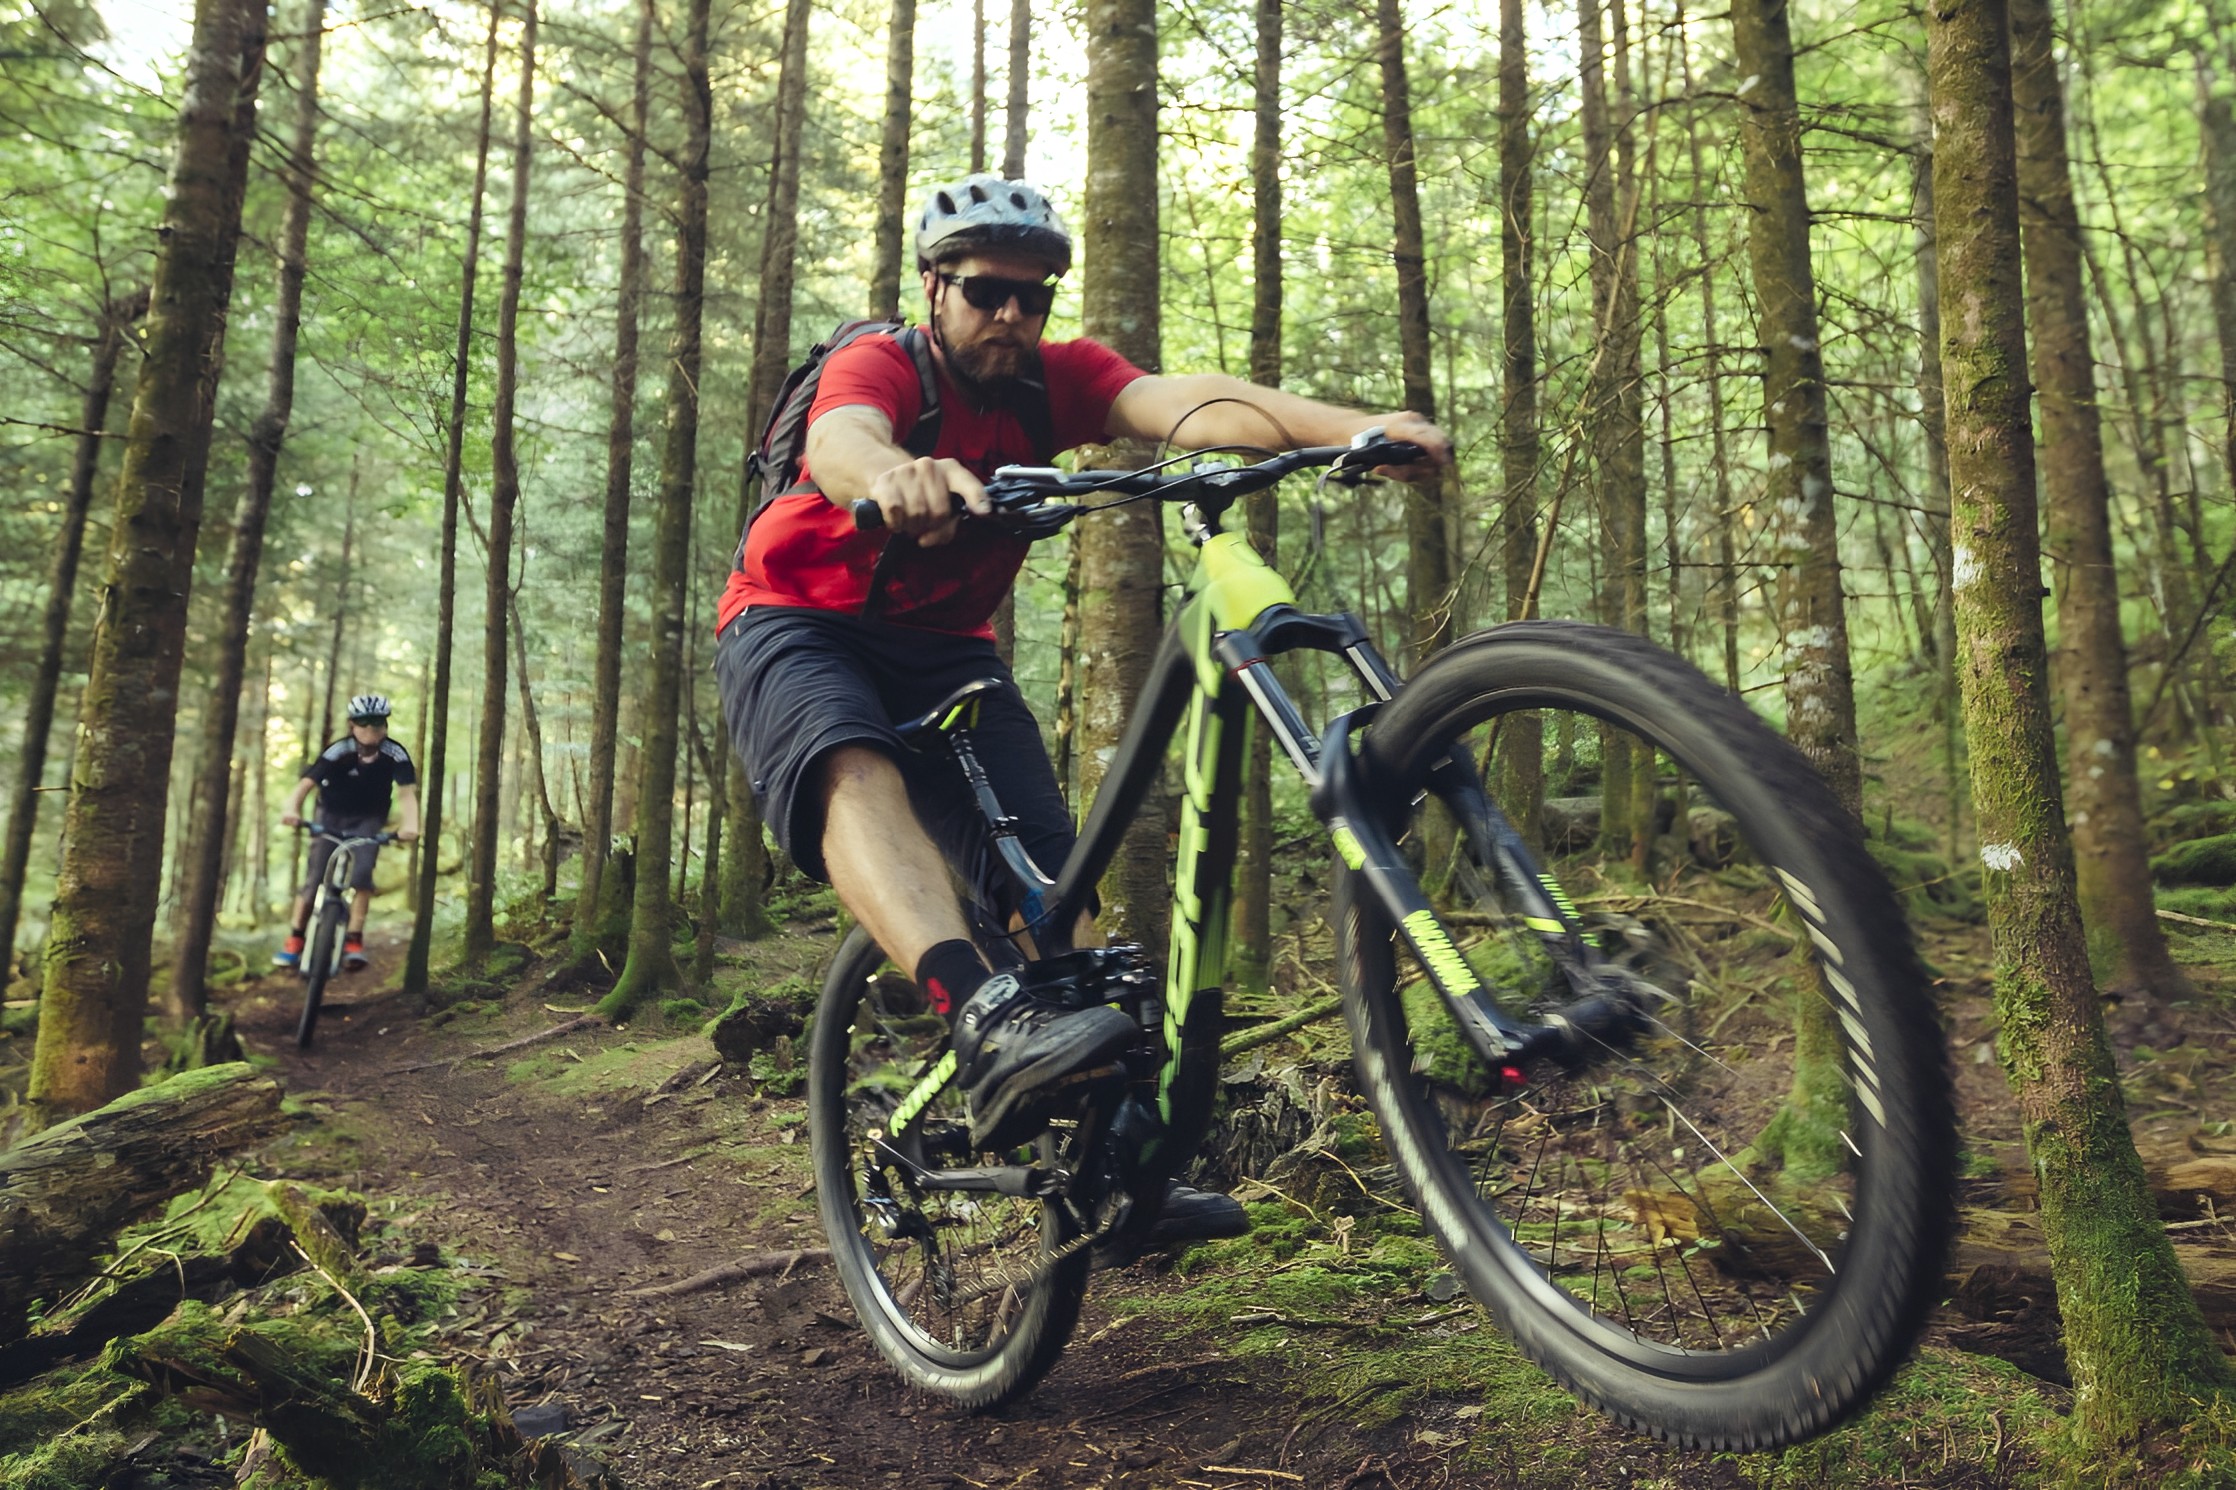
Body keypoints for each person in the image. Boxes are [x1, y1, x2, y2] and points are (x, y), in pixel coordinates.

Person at [715, 174, 1450, 1248]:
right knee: (850, 763)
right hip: (798, 620)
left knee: (1062, 905)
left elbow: (1189, 402)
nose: (1011, 315)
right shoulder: (884, 362)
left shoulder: (1052, 383)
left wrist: (1360, 428)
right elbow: (842, 440)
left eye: (1034, 295)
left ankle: (1109, 1171)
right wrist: (898, 471)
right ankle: (976, 1006)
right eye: (984, 292)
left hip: (948, 651)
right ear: (933, 289)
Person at [274, 694, 422, 971]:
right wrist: (292, 809)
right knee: (315, 876)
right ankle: (295, 938)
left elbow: (406, 794)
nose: (371, 729)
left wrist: (410, 825)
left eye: (377, 723)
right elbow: (306, 784)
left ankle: (354, 939)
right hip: (330, 816)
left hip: (368, 819)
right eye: (364, 722)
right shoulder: (338, 751)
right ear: (352, 724)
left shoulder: (396, 754)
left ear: (386, 725)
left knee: (362, 875)